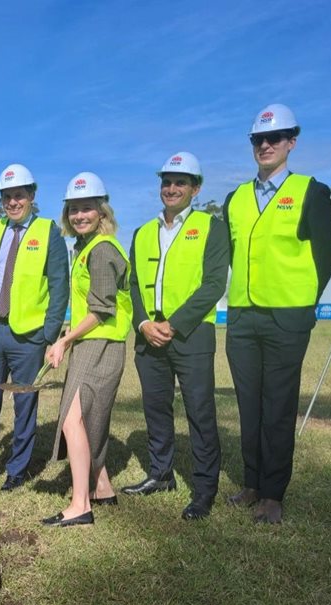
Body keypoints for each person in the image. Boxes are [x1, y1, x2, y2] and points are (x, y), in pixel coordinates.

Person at [224, 104, 331, 524]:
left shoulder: (311, 191)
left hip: (287, 318)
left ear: (292, 141)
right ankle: (252, 482)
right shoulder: (235, 199)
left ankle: (273, 493)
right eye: (258, 139)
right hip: (242, 318)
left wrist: (303, 302)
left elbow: (326, 256)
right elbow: (235, 255)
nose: (266, 144)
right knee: (248, 404)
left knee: (278, 406)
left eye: (276, 137)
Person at [120, 153, 229, 521]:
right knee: (155, 409)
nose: (171, 188)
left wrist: (175, 324)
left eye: (180, 182)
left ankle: (203, 489)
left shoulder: (211, 226)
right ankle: (160, 474)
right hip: (148, 337)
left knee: (200, 413)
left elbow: (213, 284)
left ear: (195, 188)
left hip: (191, 336)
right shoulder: (143, 232)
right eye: (166, 182)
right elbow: (133, 284)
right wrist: (143, 324)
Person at [0, 164, 69, 492]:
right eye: (7, 197)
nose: (13, 202)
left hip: (29, 337)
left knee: (24, 406)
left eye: (19, 195)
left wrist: (49, 334)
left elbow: (60, 286)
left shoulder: (49, 232)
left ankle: (17, 470)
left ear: (31, 196)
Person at [41, 173, 131, 527]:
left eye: (87, 208)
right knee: (88, 419)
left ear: (101, 210)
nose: (79, 215)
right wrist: (68, 335)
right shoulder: (85, 248)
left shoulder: (103, 249)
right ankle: (101, 487)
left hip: (101, 345)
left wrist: (64, 340)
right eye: (73, 209)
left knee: (71, 419)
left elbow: (102, 309)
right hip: (90, 342)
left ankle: (80, 504)